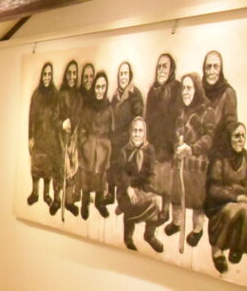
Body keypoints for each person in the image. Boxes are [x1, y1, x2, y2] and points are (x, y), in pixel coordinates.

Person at [166, 72, 215, 248]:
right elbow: (176, 132)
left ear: (197, 89)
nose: (185, 92)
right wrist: (177, 145)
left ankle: (197, 229)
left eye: (189, 88)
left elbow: (209, 137)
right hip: (180, 161)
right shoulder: (181, 111)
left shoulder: (207, 111)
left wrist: (192, 149)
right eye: (183, 89)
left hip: (196, 163)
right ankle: (176, 223)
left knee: (196, 200)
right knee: (176, 194)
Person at [205, 121, 247, 274]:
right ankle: (217, 250)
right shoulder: (219, 158)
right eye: (236, 136)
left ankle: (238, 247)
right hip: (219, 204)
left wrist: (242, 196)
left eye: (243, 136)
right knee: (233, 210)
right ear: (228, 138)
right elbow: (213, 190)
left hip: (240, 201)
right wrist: (235, 195)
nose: (241, 139)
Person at [116, 116, 165, 252]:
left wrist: (150, 188)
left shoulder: (149, 149)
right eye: (134, 131)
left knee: (156, 200)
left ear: (144, 133)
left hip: (142, 187)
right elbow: (121, 173)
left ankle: (149, 235)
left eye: (140, 131)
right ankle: (128, 237)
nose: (137, 134)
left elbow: (152, 171)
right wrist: (129, 188)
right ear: (130, 132)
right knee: (132, 202)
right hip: (127, 190)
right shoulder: (124, 151)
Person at [145, 53, 181, 219]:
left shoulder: (177, 89)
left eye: (165, 66)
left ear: (171, 69)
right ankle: (153, 210)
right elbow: (147, 117)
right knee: (154, 179)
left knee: (167, 181)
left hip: (169, 143)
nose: (161, 70)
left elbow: (177, 116)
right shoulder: (152, 91)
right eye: (159, 66)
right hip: (155, 142)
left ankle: (166, 211)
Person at [108, 61, 145, 208]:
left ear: (130, 76)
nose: (123, 77)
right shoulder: (115, 96)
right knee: (114, 168)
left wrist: (132, 139)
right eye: (121, 74)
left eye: (126, 73)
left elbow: (138, 119)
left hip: (128, 140)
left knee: (126, 170)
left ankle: (123, 202)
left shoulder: (135, 94)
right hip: (115, 139)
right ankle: (112, 196)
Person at [77, 70, 113, 220]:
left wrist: (107, 146)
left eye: (103, 87)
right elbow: (81, 129)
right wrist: (84, 144)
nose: (100, 90)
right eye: (97, 87)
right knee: (86, 177)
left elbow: (112, 130)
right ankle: (84, 203)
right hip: (89, 147)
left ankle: (99, 202)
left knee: (100, 178)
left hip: (103, 148)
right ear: (94, 88)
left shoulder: (109, 108)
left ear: (106, 88)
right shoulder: (87, 107)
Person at [51, 60, 81, 216]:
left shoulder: (79, 96)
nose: (72, 76)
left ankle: (69, 202)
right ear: (66, 75)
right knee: (59, 170)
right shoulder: (59, 95)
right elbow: (53, 118)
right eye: (69, 73)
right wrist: (62, 124)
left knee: (72, 169)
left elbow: (80, 116)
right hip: (60, 139)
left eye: (74, 73)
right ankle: (56, 200)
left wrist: (74, 125)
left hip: (73, 139)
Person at [27, 62, 58, 207]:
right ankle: (35, 193)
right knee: (36, 167)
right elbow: (31, 118)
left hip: (50, 138)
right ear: (41, 76)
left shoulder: (56, 95)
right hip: (38, 137)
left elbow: (58, 116)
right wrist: (30, 137)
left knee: (47, 169)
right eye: (45, 74)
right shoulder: (36, 95)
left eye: (49, 74)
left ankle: (46, 195)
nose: (47, 77)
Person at [201, 50, 238, 161]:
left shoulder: (228, 93)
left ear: (220, 70)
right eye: (208, 67)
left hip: (219, 157)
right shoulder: (198, 91)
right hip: (198, 155)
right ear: (204, 69)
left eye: (216, 67)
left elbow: (231, 128)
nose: (212, 71)